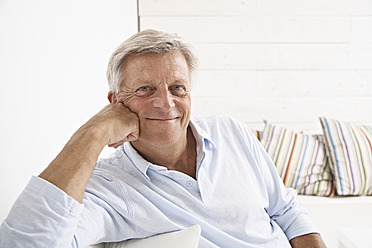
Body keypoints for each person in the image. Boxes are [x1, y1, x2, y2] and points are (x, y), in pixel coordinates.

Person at [0, 29, 326, 248]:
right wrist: (93, 133)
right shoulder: (109, 188)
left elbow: (285, 210)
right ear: (115, 102)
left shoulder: (231, 130)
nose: (166, 103)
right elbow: (28, 242)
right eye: (145, 89)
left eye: (177, 88)